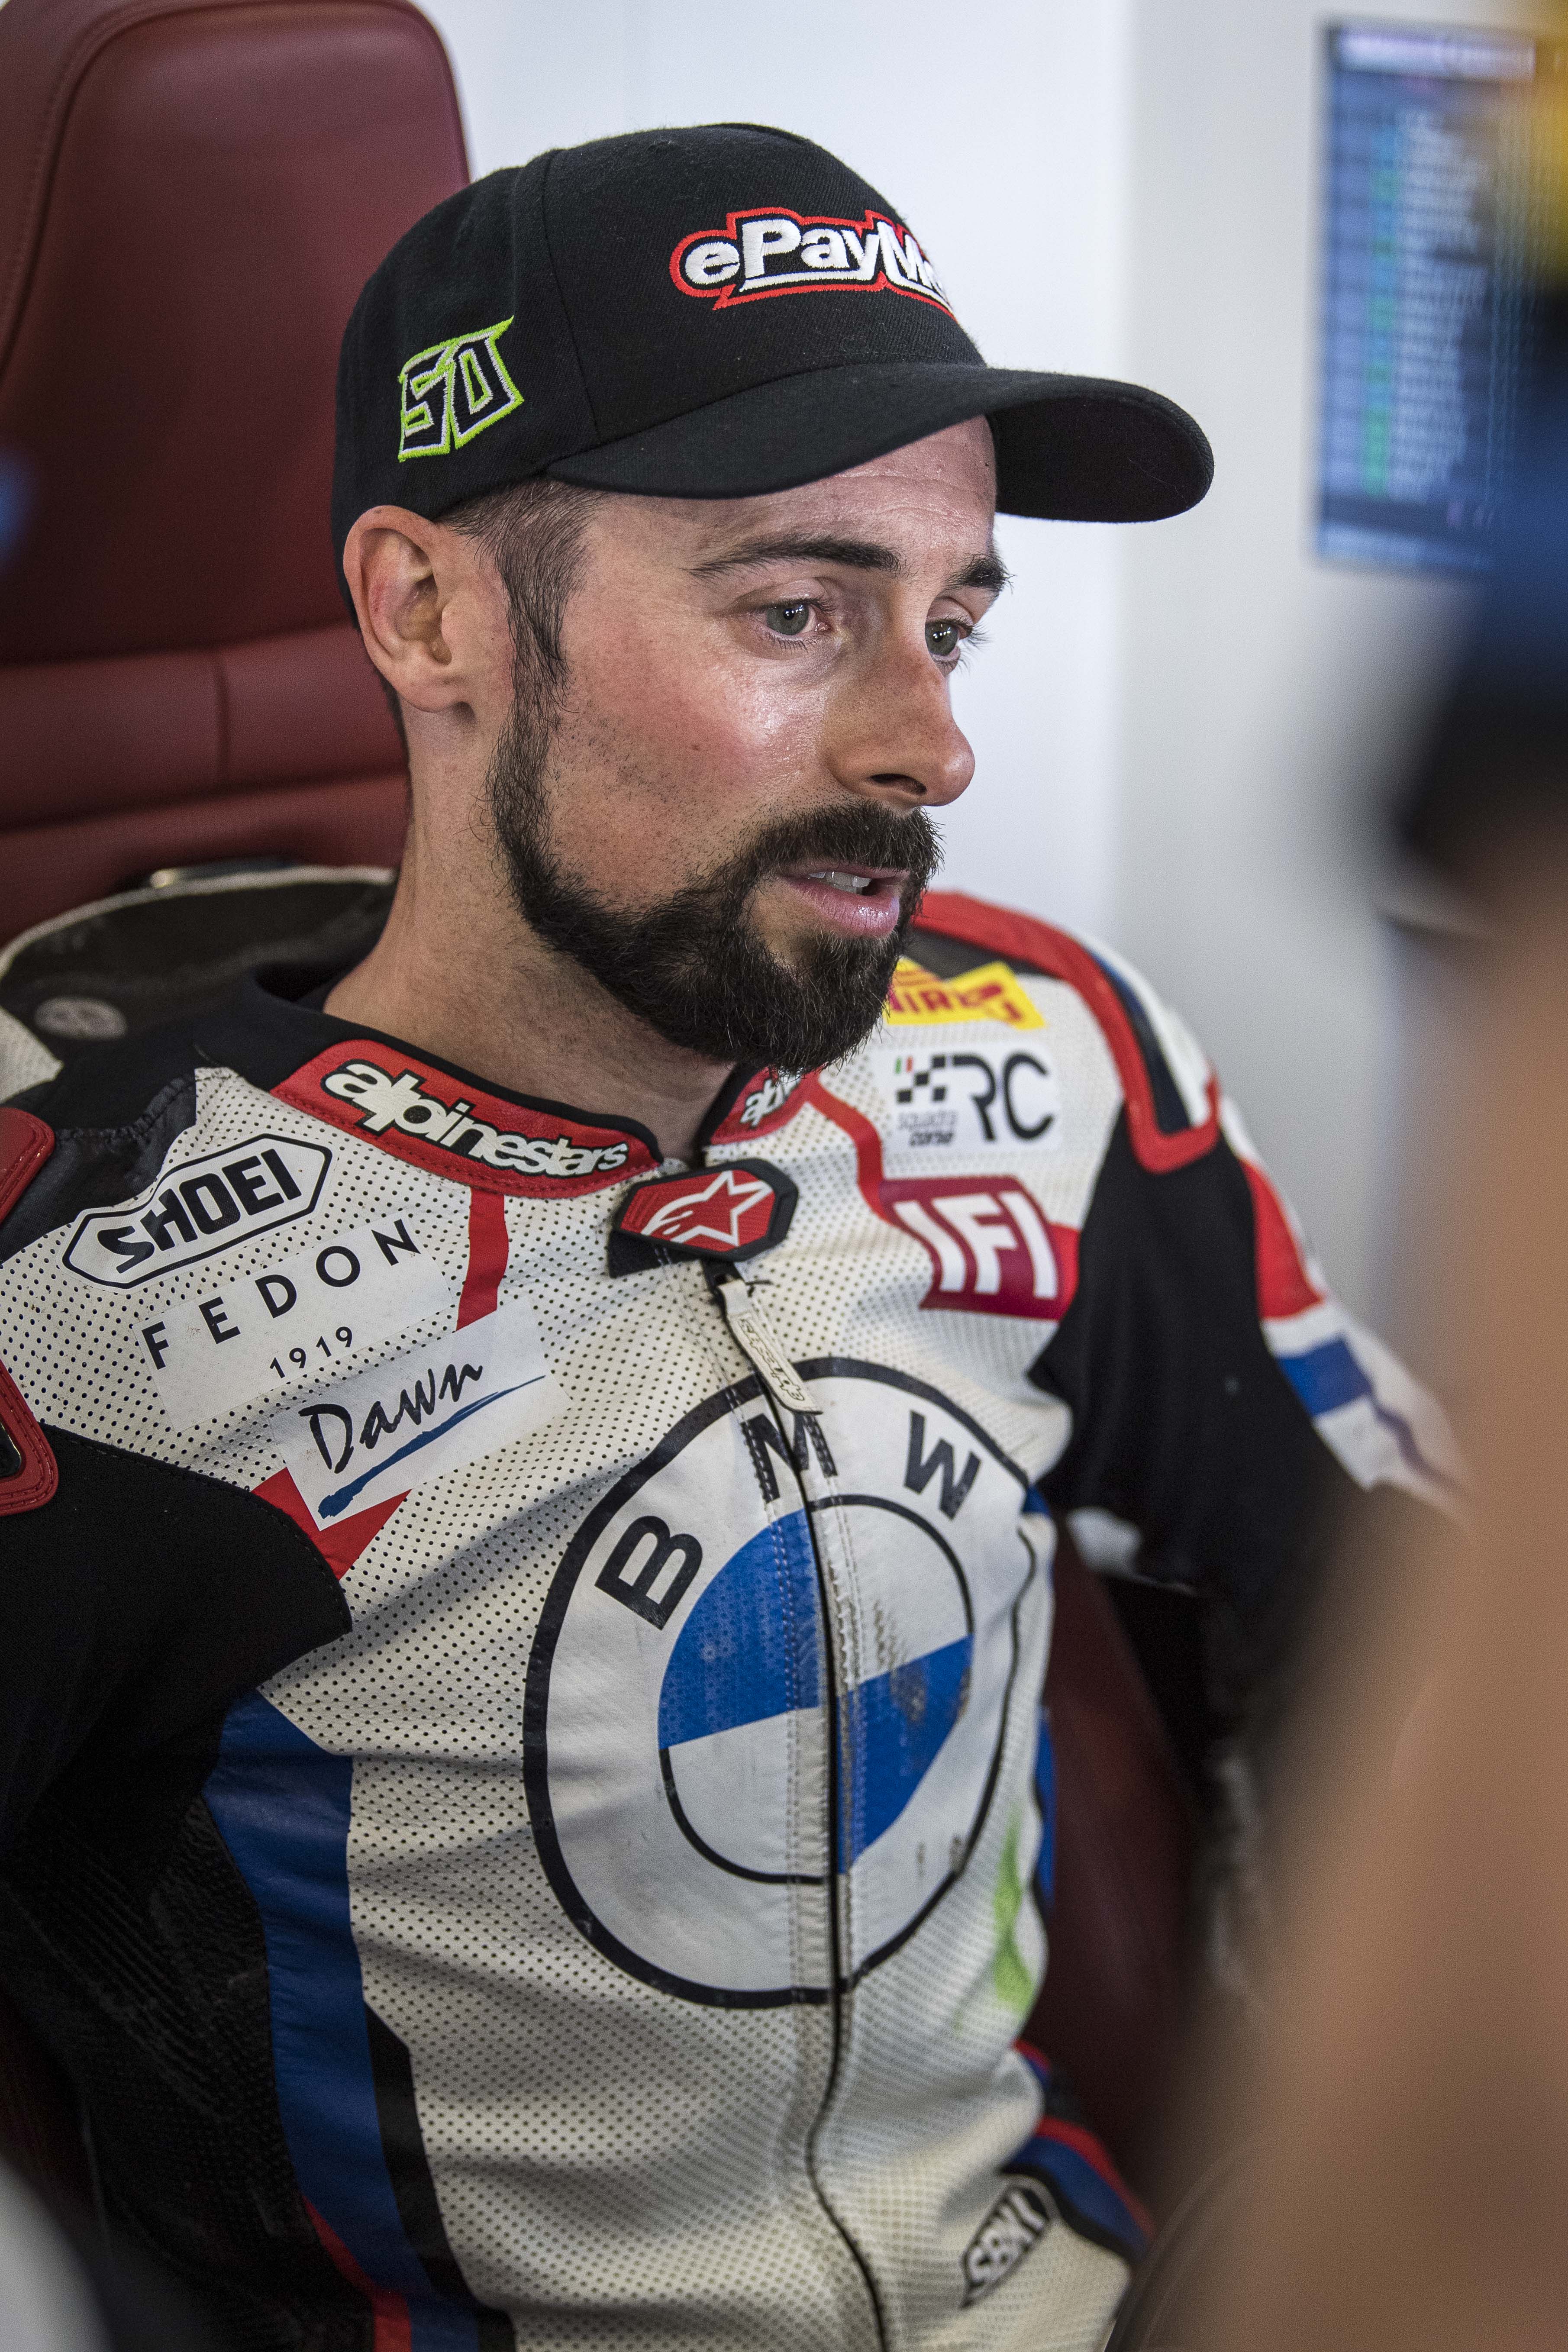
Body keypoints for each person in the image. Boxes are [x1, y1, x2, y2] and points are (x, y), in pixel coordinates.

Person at [0, 126, 1453, 2352]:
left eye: (950, 623)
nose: (931, 743)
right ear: (429, 614)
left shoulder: (1048, 1060)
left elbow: (1412, 1600)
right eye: (799, 611)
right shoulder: (76, 1295)